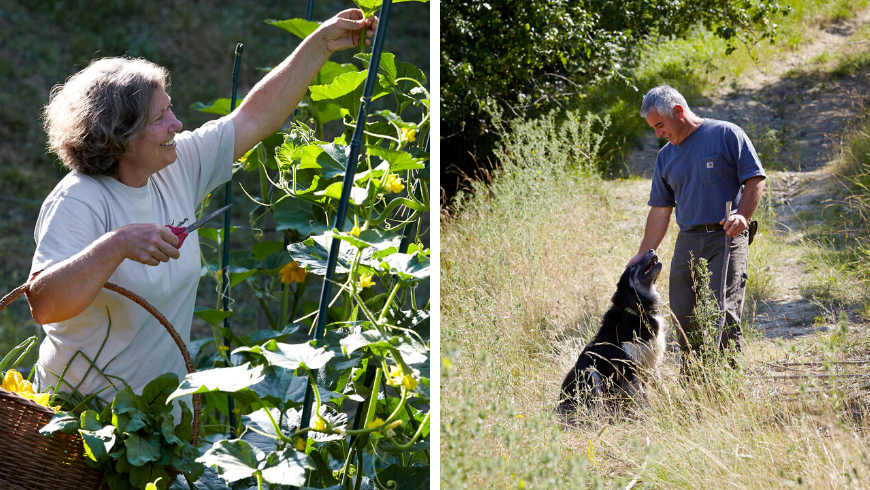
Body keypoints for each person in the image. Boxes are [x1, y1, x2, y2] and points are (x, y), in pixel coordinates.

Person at [26, 10, 377, 401]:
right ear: (120, 136)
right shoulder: (79, 199)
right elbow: (45, 304)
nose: (177, 124)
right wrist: (117, 244)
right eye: (161, 117)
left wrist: (321, 44)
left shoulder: (175, 166)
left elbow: (255, 118)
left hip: (159, 420)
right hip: (81, 419)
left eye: (170, 109)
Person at [626, 85, 766, 362]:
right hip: (688, 240)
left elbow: (755, 178)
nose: (658, 134)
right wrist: (643, 254)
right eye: (653, 128)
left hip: (726, 238)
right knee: (683, 315)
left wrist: (743, 217)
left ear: (678, 112)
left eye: (660, 125)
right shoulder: (665, 156)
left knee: (723, 313)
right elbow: (660, 209)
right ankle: (695, 386)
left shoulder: (725, 134)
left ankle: (726, 385)